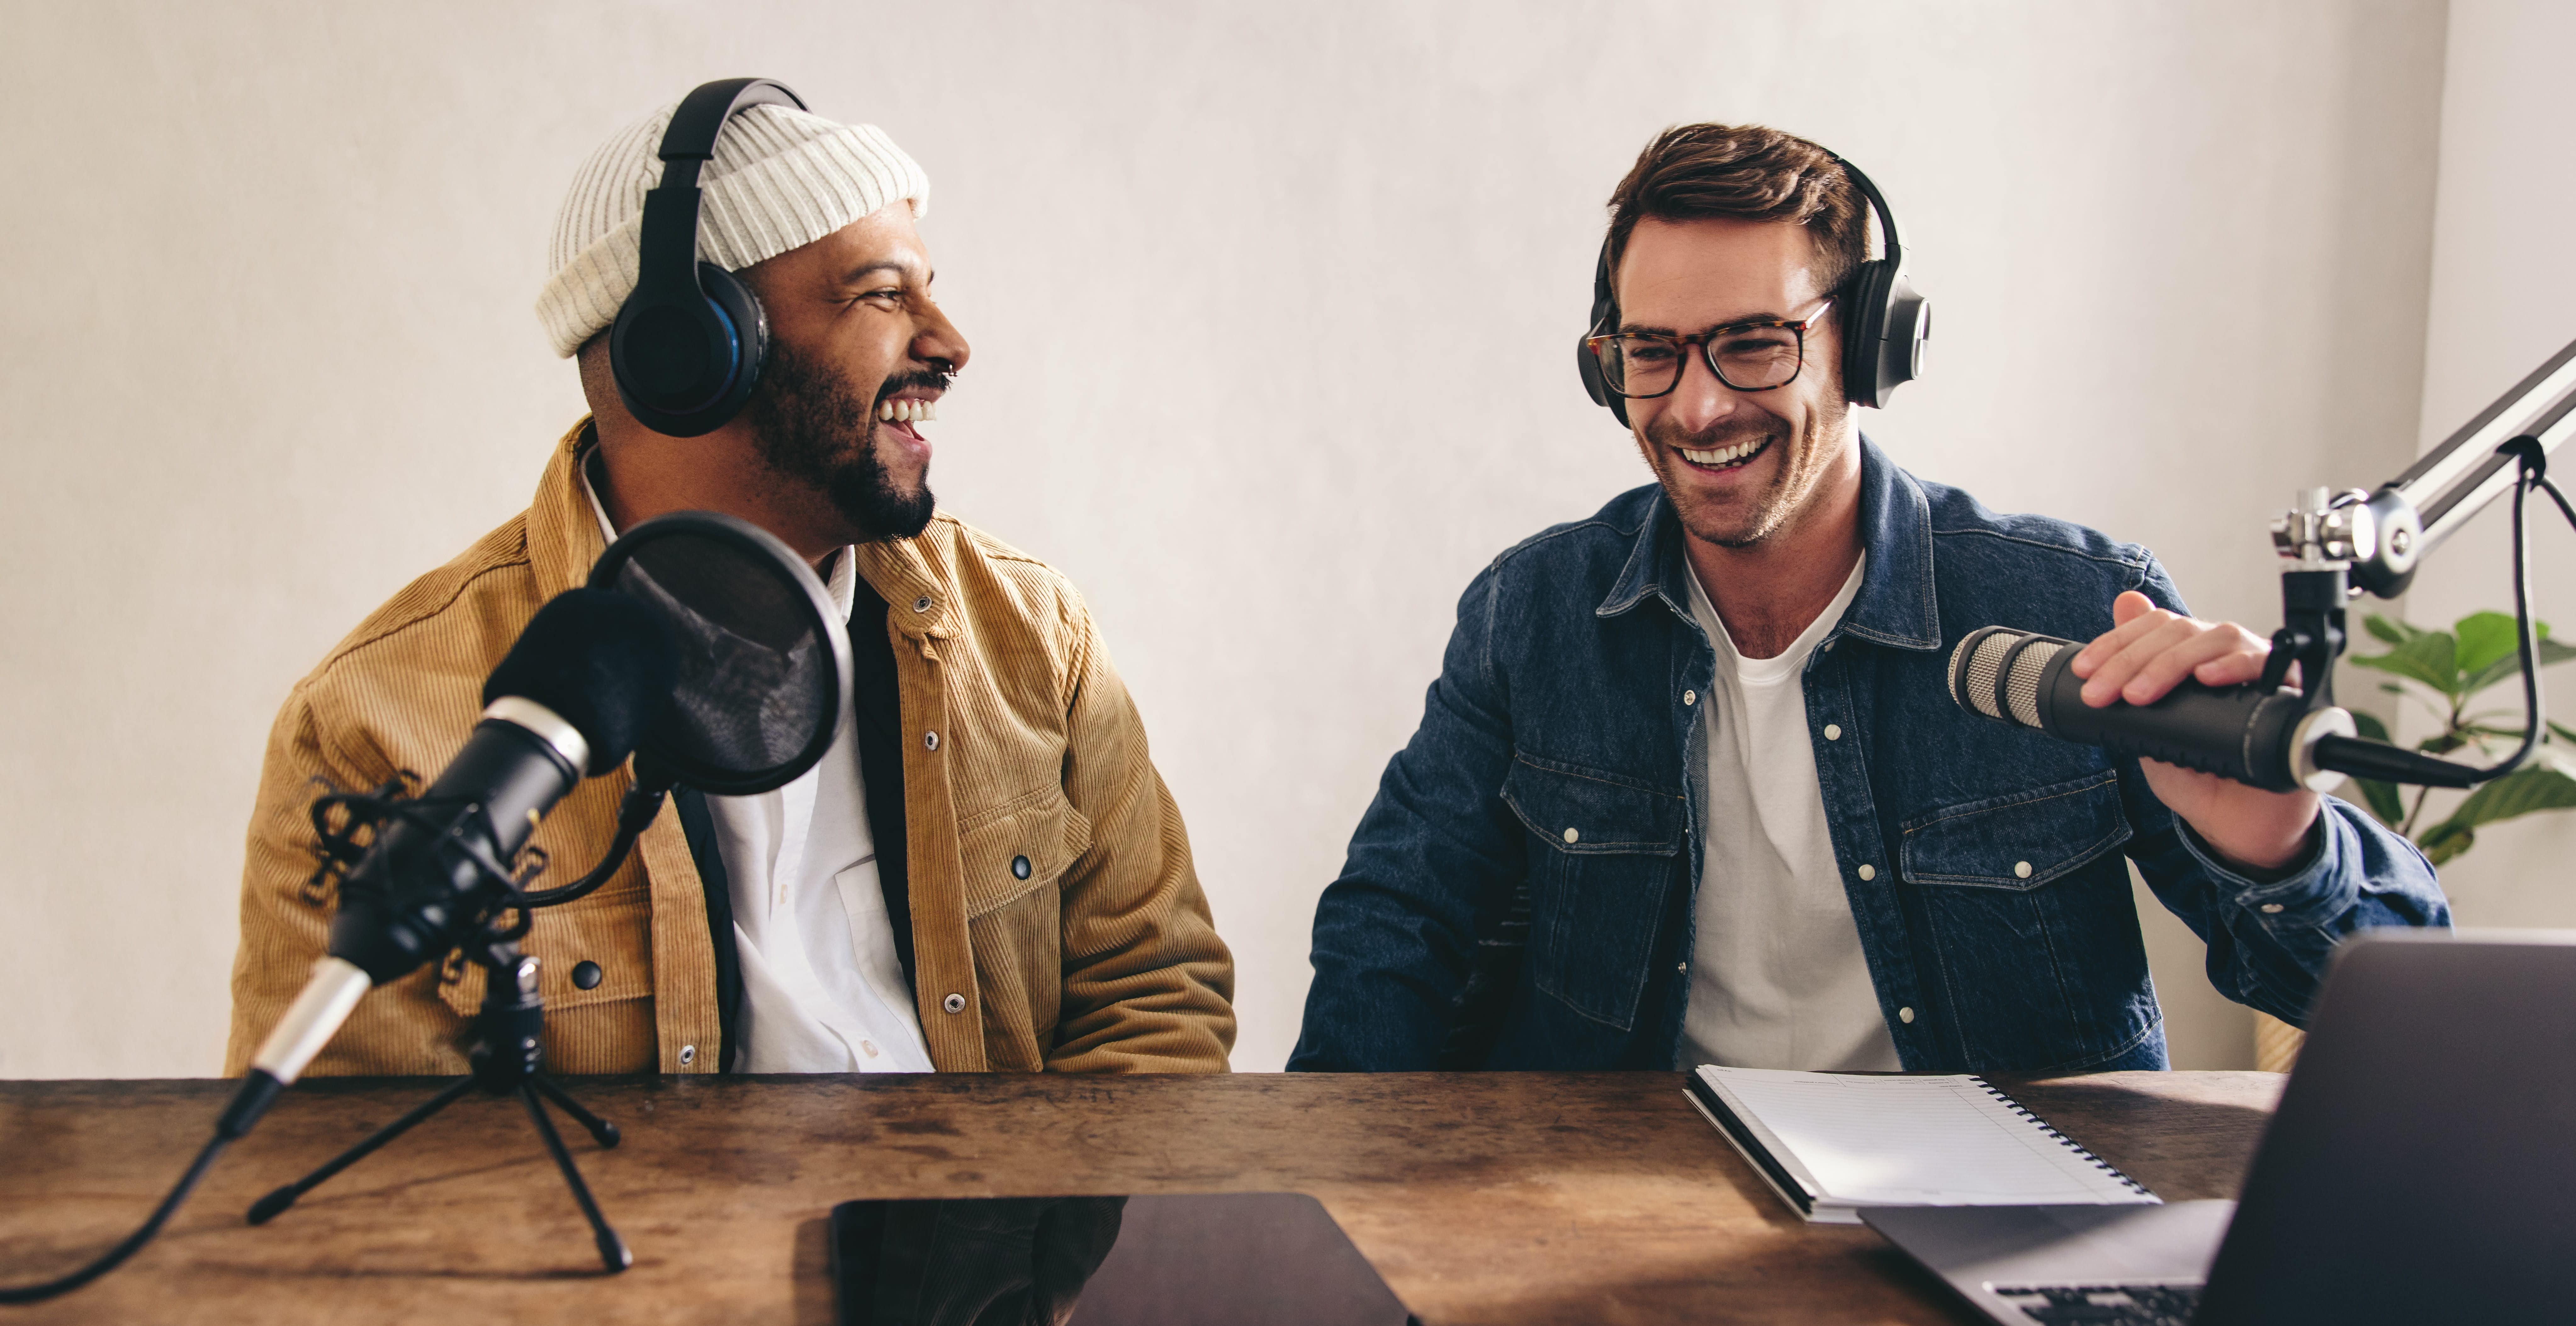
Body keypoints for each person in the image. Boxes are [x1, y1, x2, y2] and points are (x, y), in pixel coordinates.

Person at [1290, 124, 2444, 1074]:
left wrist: (2279, 853)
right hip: (1625, 1201)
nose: (1694, 409)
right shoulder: (1529, 612)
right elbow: (1394, 924)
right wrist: (1322, 1213)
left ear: (1871, 345)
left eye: (1752, 344)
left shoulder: (2082, 613)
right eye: (1653, 352)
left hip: (1996, 1215)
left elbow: (2401, 1008)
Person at [227, 84, 1234, 1078]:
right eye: (884, 294)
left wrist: (1008, 1235)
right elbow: (356, 1155)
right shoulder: (376, 720)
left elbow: (1155, 1002)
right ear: (692, 351)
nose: (947, 343)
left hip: (991, 1236)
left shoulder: (1032, 632)